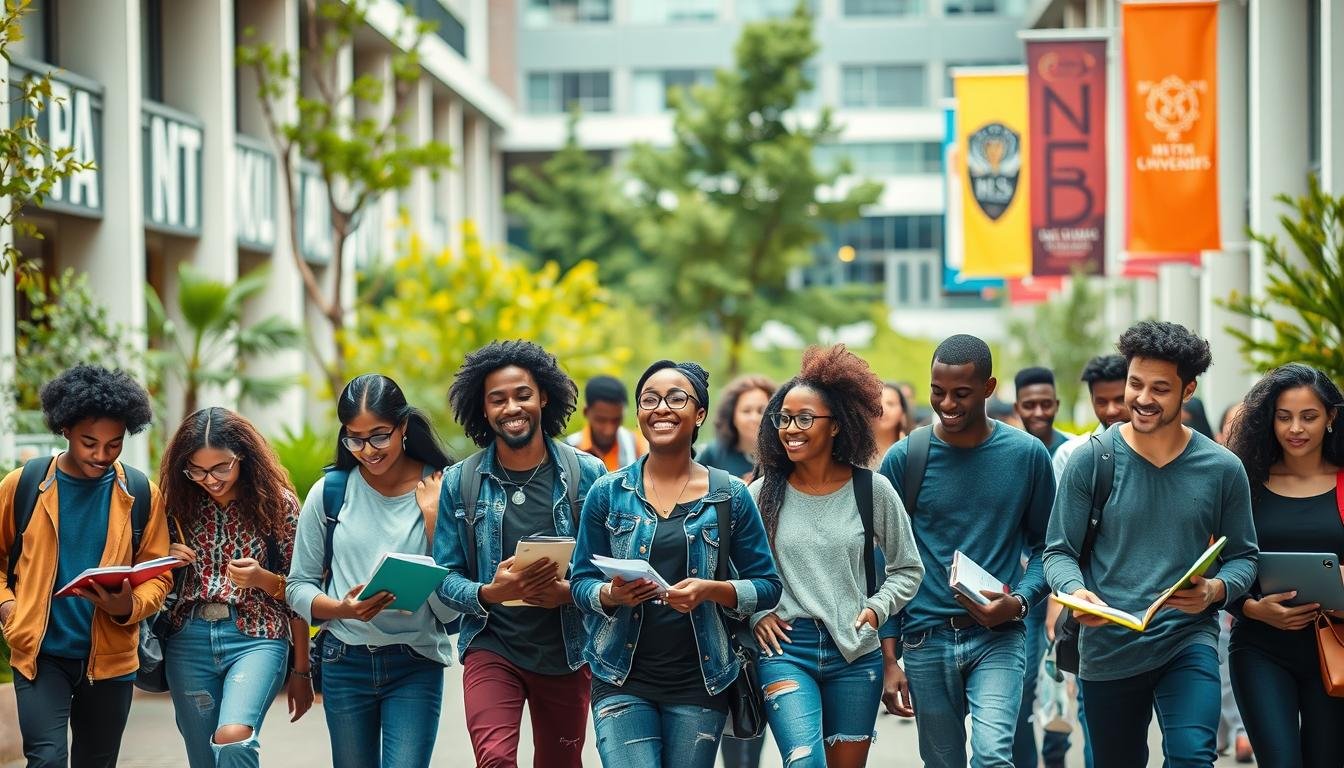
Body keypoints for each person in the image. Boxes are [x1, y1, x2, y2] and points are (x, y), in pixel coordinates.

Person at [1044, 321, 1259, 768]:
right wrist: (1074, 591)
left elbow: (1243, 557)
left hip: (1187, 638)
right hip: (1107, 648)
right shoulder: (1093, 459)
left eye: (1160, 388)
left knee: (1192, 757)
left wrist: (1215, 591)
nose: (1142, 398)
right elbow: (1058, 550)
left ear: (1188, 390)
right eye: (1135, 383)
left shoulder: (1222, 468)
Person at [570, 360, 782, 768]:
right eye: (650, 399)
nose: (661, 407)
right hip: (620, 675)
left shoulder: (730, 495)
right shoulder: (607, 492)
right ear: (639, 414)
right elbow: (580, 582)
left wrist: (711, 590)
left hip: (700, 681)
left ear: (699, 413)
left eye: (676, 398)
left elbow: (767, 585)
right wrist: (611, 595)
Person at [878, 334, 1056, 768]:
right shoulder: (905, 458)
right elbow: (882, 561)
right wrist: (888, 658)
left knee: (994, 756)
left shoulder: (1027, 455)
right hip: (924, 638)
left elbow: (1050, 549)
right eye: (938, 392)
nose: (948, 404)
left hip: (998, 636)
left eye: (962, 393)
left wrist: (1018, 602)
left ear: (989, 388)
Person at [433, 340, 606, 768]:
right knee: (494, 760)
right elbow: (444, 576)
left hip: (567, 651)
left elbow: (607, 569)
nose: (512, 407)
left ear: (543, 396)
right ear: (484, 408)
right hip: (493, 644)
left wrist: (569, 593)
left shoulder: (588, 474)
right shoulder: (462, 481)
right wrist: (491, 592)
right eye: (498, 399)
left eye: (522, 395)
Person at [751, 346, 923, 768]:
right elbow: (735, 571)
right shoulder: (760, 495)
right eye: (784, 418)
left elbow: (907, 568)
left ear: (836, 427)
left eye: (805, 418)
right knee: (804, 762)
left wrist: (877, 608)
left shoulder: (871, 490)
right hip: (787, 649)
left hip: (855, 654)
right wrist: (756, 615)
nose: (791, 428)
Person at [0, 365, 171, 768]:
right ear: (65, 430)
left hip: (111, 660)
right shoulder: (23, 485)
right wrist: (8, 607)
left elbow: (158, 573)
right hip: (40, 654)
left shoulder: (143, 493)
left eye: (114, 445)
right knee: (46, 760)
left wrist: (128, 607)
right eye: (89, 442)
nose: (101, 455)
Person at [286, 374, 456, 768]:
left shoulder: (442, 489)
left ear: (403, 427)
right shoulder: (330, 492)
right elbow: (297, 586)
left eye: (380, 436)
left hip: (416, 662)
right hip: (345, 661)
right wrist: (342, 609)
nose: (368, 450)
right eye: (355, 438)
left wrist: (433, 524)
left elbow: (452, 610)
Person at [158, 407, 313, 767]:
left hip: (257, 636)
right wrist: (164, 555)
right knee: (203, 760)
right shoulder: (175, 505)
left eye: (220, 467)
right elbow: (148, 571)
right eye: (197, 469)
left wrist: (302, 671)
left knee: (232, 739)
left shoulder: (279, 505)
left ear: (242, 456)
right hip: (188, 639)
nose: (210, 479)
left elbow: (300, 590)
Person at [1225, 363, 1344, 766]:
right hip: (1261, 647)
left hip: (1334, 648)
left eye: (1309, 416)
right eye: (1284, 416)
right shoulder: (1245, 482)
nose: (1296, 428)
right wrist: (1250, 608)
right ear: (1268, 420)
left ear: (1330, 417)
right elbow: (1215, 565)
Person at [1042, 353, 1132, 768]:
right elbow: (1061, 543)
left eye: (1119, 399)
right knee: (1094, 722)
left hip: (1156, 613)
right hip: (1090, 609)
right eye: (1102, 401)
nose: (1111, 410)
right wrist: (1058, 605)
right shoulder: (1075, 456)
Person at [697, 373, 776, 768]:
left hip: (767, 588)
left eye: (763, 409)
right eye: (747, 409)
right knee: (731, 703)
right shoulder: (712, 457)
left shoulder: (782, 460)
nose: (755, 417)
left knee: (754, 706)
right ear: (732, 415)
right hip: (723, 594)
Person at [567, 375, 648, 471]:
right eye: (601, 420)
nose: (609, 430)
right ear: (586, 412)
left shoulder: (638, 446)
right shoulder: (569, 450)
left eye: (616, 420)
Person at [1013, 367, 1071, 456]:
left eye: (1046, 404)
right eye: (1029, 406)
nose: (1038, 413)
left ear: (1057, 405)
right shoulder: (1007, 452)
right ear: (1017, 409)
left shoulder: (1073, 449)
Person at [871, 381, 911, 468]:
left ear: (903, 413)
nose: (883, 409)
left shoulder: (913, 450)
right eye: (877, 404)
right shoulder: (856, 454)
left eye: (890, 404)